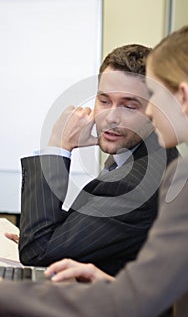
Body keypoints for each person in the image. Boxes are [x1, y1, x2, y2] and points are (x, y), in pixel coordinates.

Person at [0, 23, 188, 317]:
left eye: (150, 100)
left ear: (182, 97)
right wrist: (111, 284)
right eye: (104, 100)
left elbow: (130, 301)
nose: (150, 111)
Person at [15, 44, 178, 278]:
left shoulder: (136, 184)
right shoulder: (139, 155)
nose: (111, 117)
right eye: (104, 101)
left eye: (129, 106)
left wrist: (58, 146)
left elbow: (38, 251)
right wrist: (40, 234)